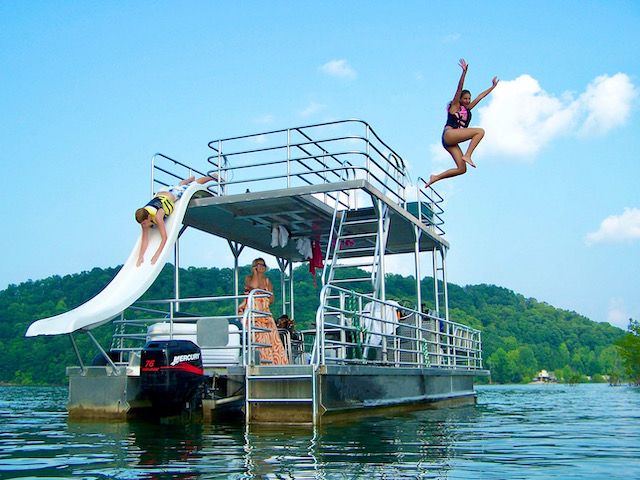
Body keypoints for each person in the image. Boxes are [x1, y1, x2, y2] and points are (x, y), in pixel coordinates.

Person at [426, 58, 498, 188]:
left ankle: (435, 177)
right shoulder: (454, 106)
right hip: (449, 134)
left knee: (462, 169)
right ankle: (468, 154)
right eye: (465, 98)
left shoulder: (468, 108)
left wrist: (492, 87)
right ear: (459, 99)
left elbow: (480, 97)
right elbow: (459, 89)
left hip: (451, 142)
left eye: (468, 99)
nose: (467, 100)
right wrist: (464, 73)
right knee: (480, 131)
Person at [135, 175, 216, 266]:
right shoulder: (143, 218)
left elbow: (164, 238)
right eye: (142, 224)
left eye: (144, 223)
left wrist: (157, 254)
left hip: (174, 193)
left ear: (149, 217)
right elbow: (145, 239)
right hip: (163, 191)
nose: (144, 225)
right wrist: (140, 256)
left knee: (192, 185)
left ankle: (212, 177)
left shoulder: (158, 215)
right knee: (179, 185)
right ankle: (186, 181)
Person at [237, 258, 289, 365]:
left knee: (272, 340)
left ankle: (276, 362)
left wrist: (264, 298)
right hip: (253, 312)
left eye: (263, 265)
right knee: (258, 338)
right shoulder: (248, 278)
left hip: (264, 312)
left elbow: (271, 298)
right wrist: (256, 273)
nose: (262, 267)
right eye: (259, 265)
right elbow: (254, 286)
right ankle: (260, 361)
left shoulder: (267, 281)